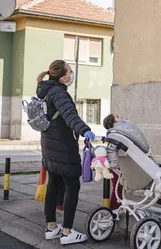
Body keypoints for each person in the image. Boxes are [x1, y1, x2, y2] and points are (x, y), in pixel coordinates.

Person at [36, 60, 95, 245]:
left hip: (49, 145)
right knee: (72, 187)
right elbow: (70, 115)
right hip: (62, 147)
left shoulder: (45, 89)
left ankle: (51, 228)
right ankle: (68, 232)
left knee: (53, 184)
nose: (72, 74)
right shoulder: (58, 92)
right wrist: (84, 129)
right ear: (62, 77)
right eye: (70, 72)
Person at [102, 113, 123, 210]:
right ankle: (113, 206)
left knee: (119, 187)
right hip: (114, 166)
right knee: (117, 186)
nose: (120, 117)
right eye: (118, 117)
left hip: (115, 165)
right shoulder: (115, 136)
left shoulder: (115, 135)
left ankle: (118, 205)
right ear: (113, 123)